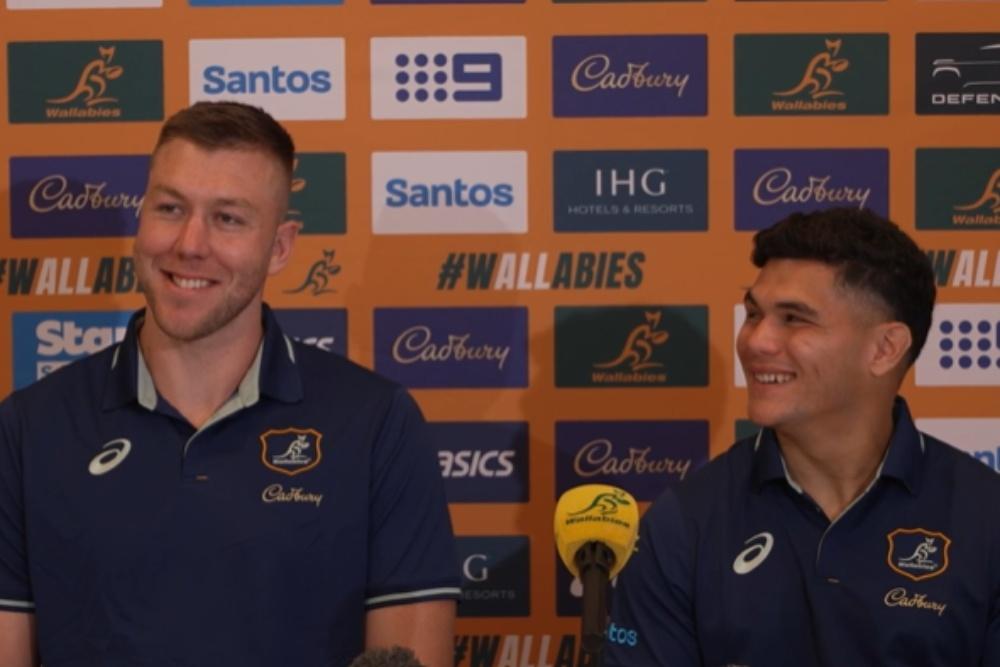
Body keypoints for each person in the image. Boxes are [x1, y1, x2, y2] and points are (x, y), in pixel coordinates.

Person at [0, 101, 460, 667]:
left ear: (281, 246)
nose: (190, 244)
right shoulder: (29, 426)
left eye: (229, 218)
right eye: (170, 208)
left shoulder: (375, 422)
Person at [606, 207, 1000, 666]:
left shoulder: (987, 518)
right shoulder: (682, 524)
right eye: (754, 314)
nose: (756, 342)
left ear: (885, 348)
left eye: (794, 319)